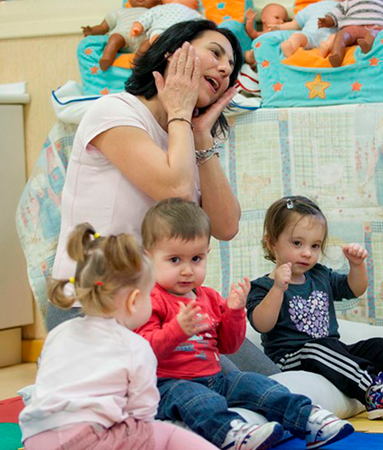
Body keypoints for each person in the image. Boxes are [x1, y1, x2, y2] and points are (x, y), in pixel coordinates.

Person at [47, 20, 243, 331]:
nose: (224, 70)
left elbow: (226, 226)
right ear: (171, 54)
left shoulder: (185, 135)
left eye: (231, 67)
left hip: (164, 306)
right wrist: (180, 110)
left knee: (266, 377)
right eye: (216, 54)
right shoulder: (113, 111)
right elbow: (176, 192)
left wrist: (202, 135)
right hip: (95, 303)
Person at [136, 198, 355, 450]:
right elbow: (143, 352)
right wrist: (177, 330)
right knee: (199, 401)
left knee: (259, 384)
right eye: (175, 260)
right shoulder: (149, 300)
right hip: (169, 385)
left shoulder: (207, 297)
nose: (187, 270)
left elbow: (229, 345)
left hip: (215, 376)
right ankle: (232, 433)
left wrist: (234, 312)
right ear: (148, 257)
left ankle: (310, 420)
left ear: (207, 252)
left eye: (196, 259)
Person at [247, 196, 383, 420]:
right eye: (297, 243)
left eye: (315, 246)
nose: (307, 253)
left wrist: (357, 266)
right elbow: (262, 324)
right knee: (318, 348)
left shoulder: (319, 275)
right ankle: (373, 391)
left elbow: (354, 289)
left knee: (377, 346)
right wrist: (278, 289)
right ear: (272, 242)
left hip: (333, 350)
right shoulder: (263, 287)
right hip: (292, 357)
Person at [19, 223, 217, 450]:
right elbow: (143, 411)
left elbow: (46, 376)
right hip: (89, 438)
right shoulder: (135, 346)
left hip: (36, 438)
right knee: (164, 432)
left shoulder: (59, 333)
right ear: (134, 301)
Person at [81, 0, 160, 71]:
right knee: (114, 39)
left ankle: (137, 63)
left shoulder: (157, 12)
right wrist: (92, 30)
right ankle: (107, 57)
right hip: (123, 35)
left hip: (144, 39)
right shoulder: (120, 12)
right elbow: (103, 27)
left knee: (150, 43)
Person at [266, 1, 338, 58]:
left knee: (335, 38)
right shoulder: (315, 6)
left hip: (329, 36)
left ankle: (325, 49)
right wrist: (279, 27)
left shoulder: (346, 8)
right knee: (297, 36)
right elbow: (294, 24)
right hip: (309, 35)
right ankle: (290, 48)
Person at [130, 0, 203, 56]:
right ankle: (138, 64)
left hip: (180, 34)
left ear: (195, 4)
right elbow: (148, 16)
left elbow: (204, 24)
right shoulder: (160, 8)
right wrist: (139, 25)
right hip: (159, 31)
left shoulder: (193, 12)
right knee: (145, 46)